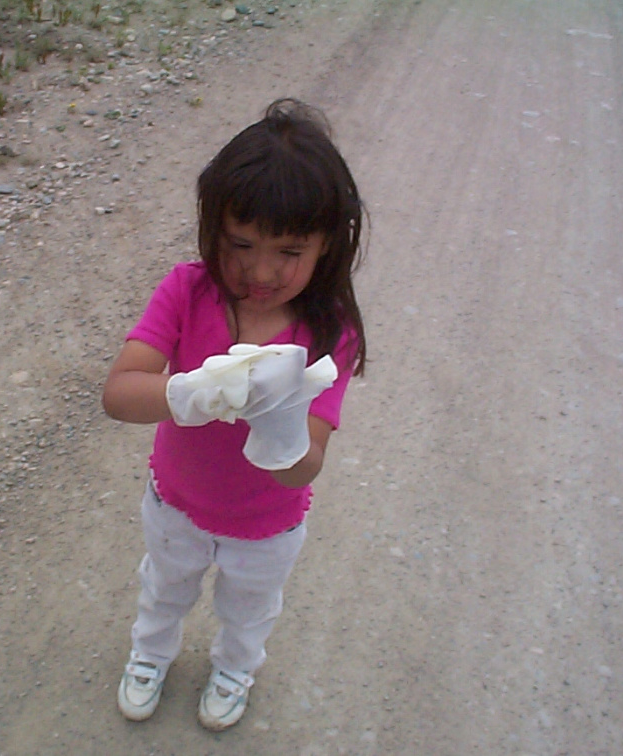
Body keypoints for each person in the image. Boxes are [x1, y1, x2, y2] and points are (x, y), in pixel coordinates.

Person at [101, 98, 367, 731]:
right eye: (240, 244)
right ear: (211, 229)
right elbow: (118, 393)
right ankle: (150, 654)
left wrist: (276, 421)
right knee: (165, 588)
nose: (260, 270)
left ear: (328, 245)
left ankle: (235, 668)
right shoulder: (187, 291)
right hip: (176, 501)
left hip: (267, 522)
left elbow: (303, 469)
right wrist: (188, 395)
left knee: (250, 607)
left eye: (289, 250)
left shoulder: (330, 333)